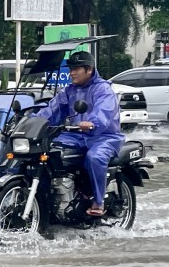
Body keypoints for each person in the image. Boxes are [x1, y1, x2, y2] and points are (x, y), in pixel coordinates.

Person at [31, 51, 124, 216]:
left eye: (76, 69)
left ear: (89, 69)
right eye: (70, 69)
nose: (71, 73)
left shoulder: (103, 89)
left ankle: (98, 201)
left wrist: (92, 123)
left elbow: (104, 111)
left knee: (95, 157)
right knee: (48, 148)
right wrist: (32, 121)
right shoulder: (69, 91)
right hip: (76, 136)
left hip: (103, 137)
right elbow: (52, 110)